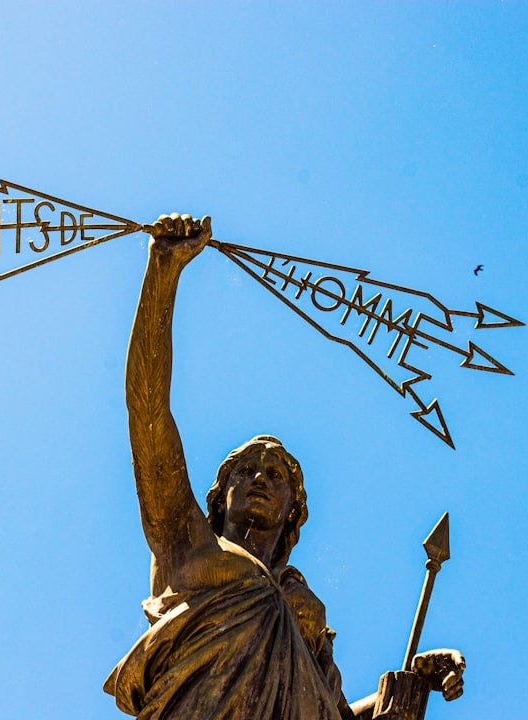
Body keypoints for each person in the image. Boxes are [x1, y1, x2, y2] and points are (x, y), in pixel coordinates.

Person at [104, 214, 466, 719]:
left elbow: (332, 714)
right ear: (219, 494)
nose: (259, 478)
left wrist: (407, 690)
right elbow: (148, 412)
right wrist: (162, 272)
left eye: (276, 476)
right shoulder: (188, 544)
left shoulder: (305, 613)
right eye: (246, 470)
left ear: (293, 510)